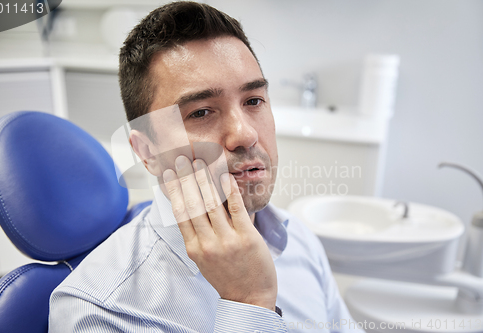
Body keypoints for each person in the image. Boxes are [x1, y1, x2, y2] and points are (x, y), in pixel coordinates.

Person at [49, 2, 363, 332]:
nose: (245, 134)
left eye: (253, 101)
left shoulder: (298, 239)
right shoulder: (100, 310)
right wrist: (249, 302)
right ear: (147, 152)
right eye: (200, 112)